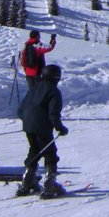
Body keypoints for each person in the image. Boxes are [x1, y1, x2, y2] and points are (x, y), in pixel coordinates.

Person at [17, 64, 68, 197]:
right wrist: (60, 128)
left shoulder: (34, 88)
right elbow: (53, 114)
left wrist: (28, 122)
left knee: (34, 150)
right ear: (56, 77)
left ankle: (27, 181)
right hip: (42, 128)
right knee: (50, 154)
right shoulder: (53, 91)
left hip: (28, 126)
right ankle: (50, 185)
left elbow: (20, 109)